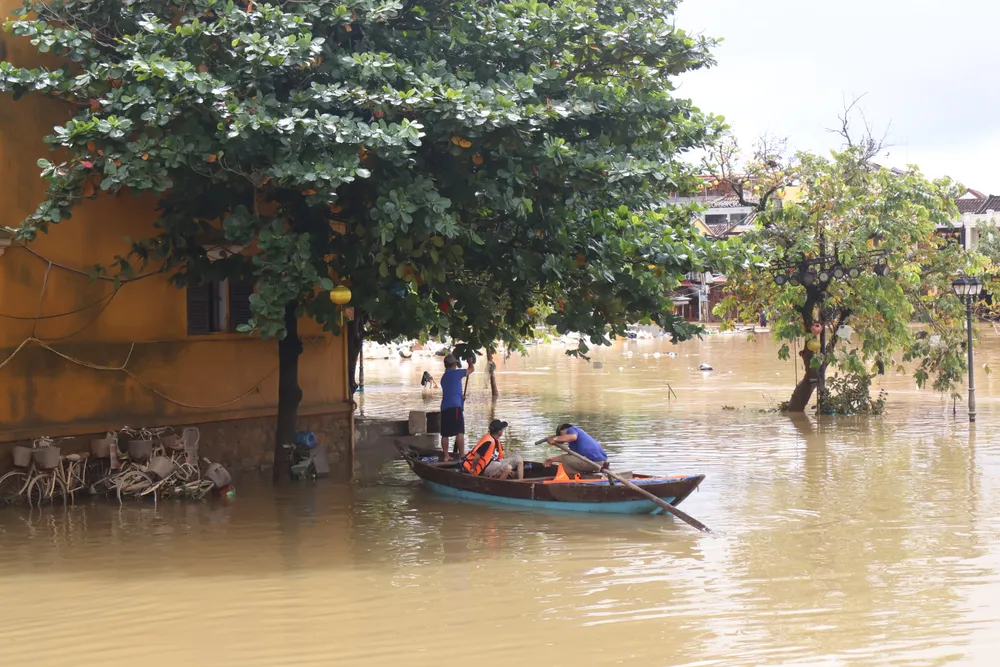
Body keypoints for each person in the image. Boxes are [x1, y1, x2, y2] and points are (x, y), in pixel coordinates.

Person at [440, 353, 474, 460]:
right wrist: (470, 361)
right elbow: (471, 369)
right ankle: (462, 455)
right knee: (460, 432)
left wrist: (460, 398)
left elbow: (451, 391)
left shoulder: (444, 377)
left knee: (445, 434)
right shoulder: (456, 373)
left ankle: (446, 456)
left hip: (445, 407)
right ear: (454, 364)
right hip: (455, 407)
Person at [544, 423, 608, 478]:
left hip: (595, 463)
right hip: (601, 463)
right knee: (567, 458)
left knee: (565, 459)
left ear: (562, 432)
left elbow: (573, 437)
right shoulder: (577, 441)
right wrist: (552, 460)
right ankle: (583, 476)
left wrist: (555, 438)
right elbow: (572, 456)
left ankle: (574, 480)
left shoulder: (572, 429)